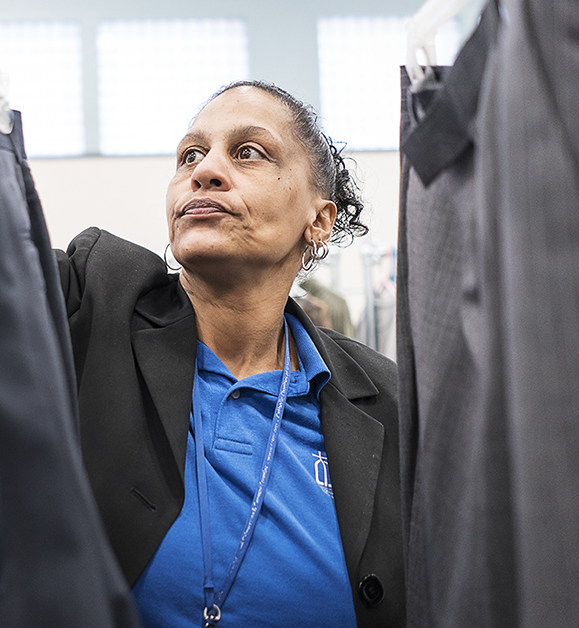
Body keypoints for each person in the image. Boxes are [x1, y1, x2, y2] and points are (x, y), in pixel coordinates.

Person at [56, 81, 403, 627]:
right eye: (190, 155)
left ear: (319, 220)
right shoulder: (95, 302)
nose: (204, 170)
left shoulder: (388, 401)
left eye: (249, 152)